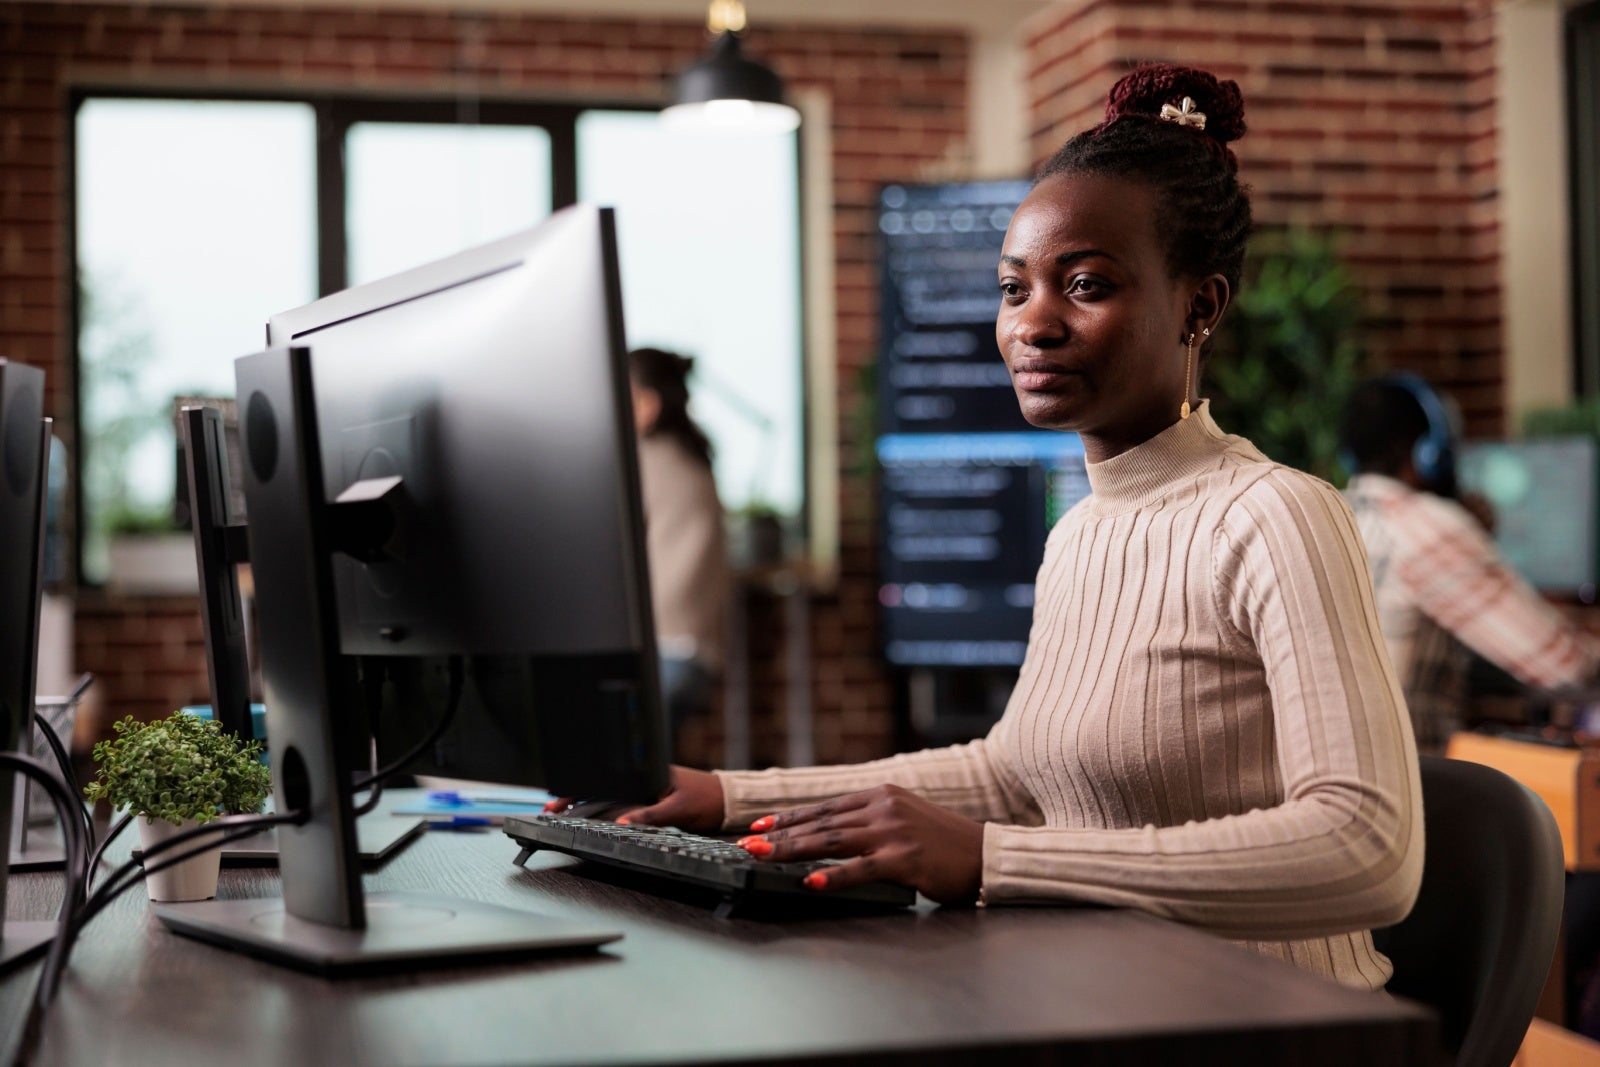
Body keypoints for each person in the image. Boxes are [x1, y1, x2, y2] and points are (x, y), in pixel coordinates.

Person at [570, 65, 1423, 993]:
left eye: (1086, 284)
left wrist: (994, 861)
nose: (1034, 323)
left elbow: (1367, 847)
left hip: (1274, 1021)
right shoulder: (1081, 532)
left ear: (1198, 307)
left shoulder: (1278, 515)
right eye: (1015, 289)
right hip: (1098, 999)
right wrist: (727, 798)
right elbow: (1010, 774)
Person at [1340, 374, 1600, 756]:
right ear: (1428, 454)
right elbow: (1565, 668)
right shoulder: (1429, 527)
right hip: (1409, 786)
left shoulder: (1333, 514)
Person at [628, 347, 732, 736]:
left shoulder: (643, 461)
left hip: (659, 651)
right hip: (695, 652)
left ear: (647, 406)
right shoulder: (693, 459)